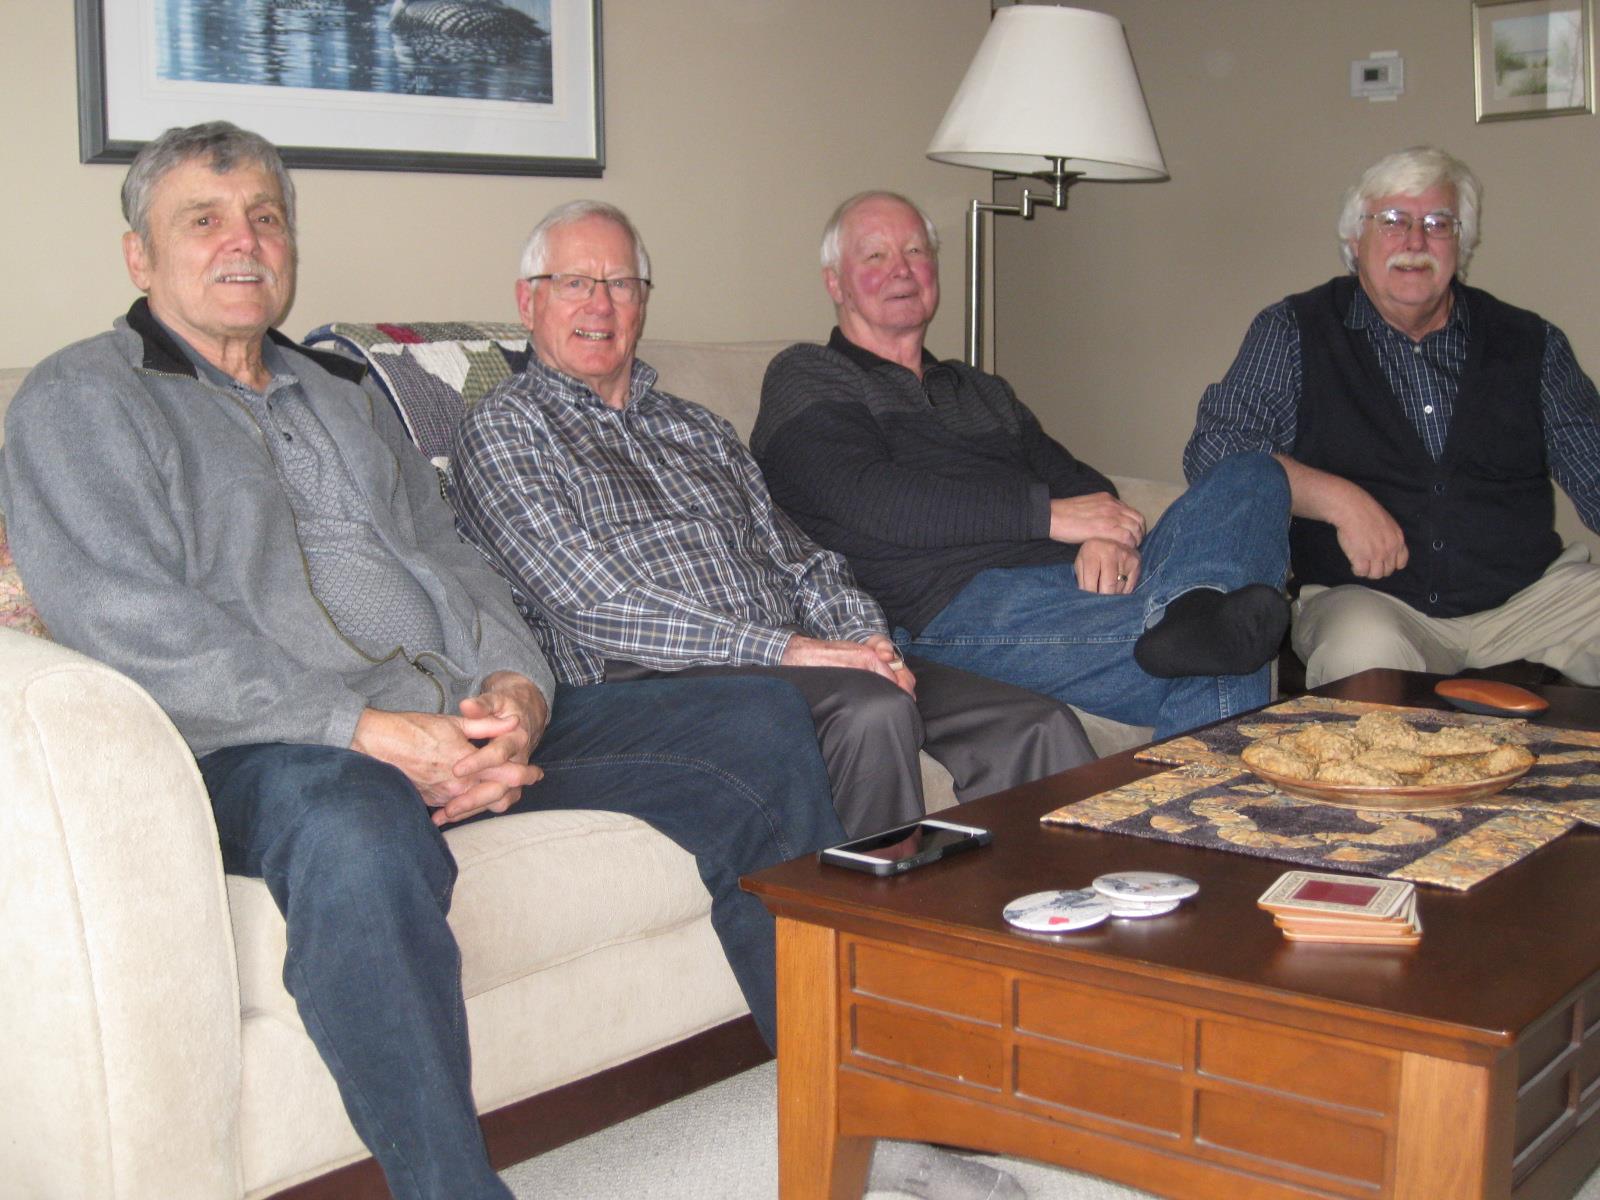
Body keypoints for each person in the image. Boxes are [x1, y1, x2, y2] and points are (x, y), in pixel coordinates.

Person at [0, 123, 848, 1200]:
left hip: (447, 714)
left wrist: (514, 690)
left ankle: (841, 1084)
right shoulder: (85, 400)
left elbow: (451, 552)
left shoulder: (341, 395)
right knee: (356, 827)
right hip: (259, 748)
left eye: (265, 217)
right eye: (202, 221)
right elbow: (125, 618)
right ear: (140, 256)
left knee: (757, 724)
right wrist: (365, 733)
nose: (242, 242)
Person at [451, 200, 1093, 840]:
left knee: (1035, 723)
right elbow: (591, 600)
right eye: (574, 284)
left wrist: (866, 639)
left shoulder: (697, 427)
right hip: (651, 674)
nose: (601, 305)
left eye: (621, 283)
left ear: (643, 301)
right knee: (870, 710)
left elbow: (801, 558)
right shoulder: (507, 426)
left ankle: (1050, 927)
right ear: (527, 301)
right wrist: (793, 650)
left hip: (793, 656)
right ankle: (868, 932)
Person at [753, 191, 1292, 741]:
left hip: (1081, 585)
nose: (901, 269)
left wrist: (1109, 539)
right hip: (953, 607)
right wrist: (1052, 518)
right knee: (1227, 654)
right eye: (874, 256)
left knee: (1252, 472)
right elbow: (873, 498)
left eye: (916, 251)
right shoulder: (808, 374)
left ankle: (1193, 608)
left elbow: (1080, 481)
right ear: (835, 283)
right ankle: (1197, 629)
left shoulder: (980, 389)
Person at [1186, 146, 1600, 688]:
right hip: (1370, 602)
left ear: (1462, 243)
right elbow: (1215, 453)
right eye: (1393, 222)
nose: (1414, 241)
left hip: (1530, 598)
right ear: (1355, 241)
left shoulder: (1531, 342)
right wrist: (1339, 500)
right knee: (1364, 651)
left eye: (1437, 223)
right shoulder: (1293, 331)